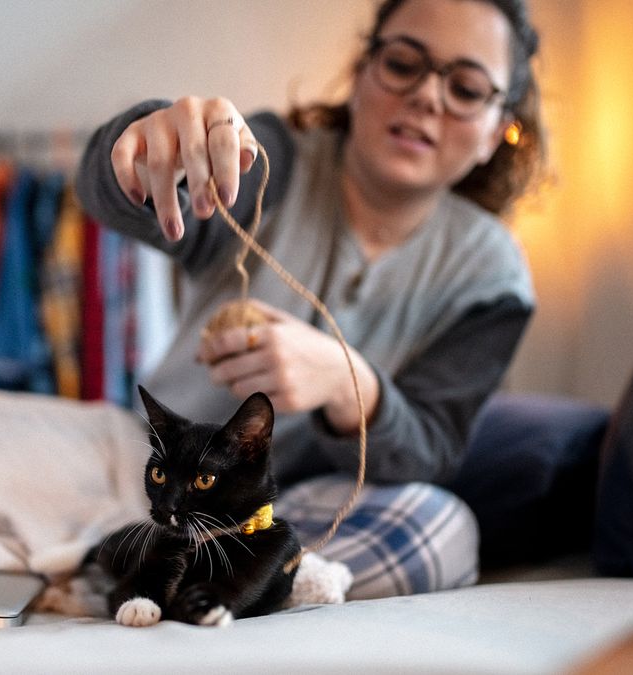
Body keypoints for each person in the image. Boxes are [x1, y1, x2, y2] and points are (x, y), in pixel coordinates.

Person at [76, 0, 544, 599]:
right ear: (360, 72)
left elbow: (430, 453)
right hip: (154, 478)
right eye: (403, 63)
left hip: (307, 506)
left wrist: (349, 385)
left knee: (440, 527)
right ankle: (224, 582)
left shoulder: (493, 276)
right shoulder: (274, 160)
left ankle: (182, 575)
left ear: (499, 129)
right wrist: (143, 145)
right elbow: (122, 194)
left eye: (467, 88)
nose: (428, 97)